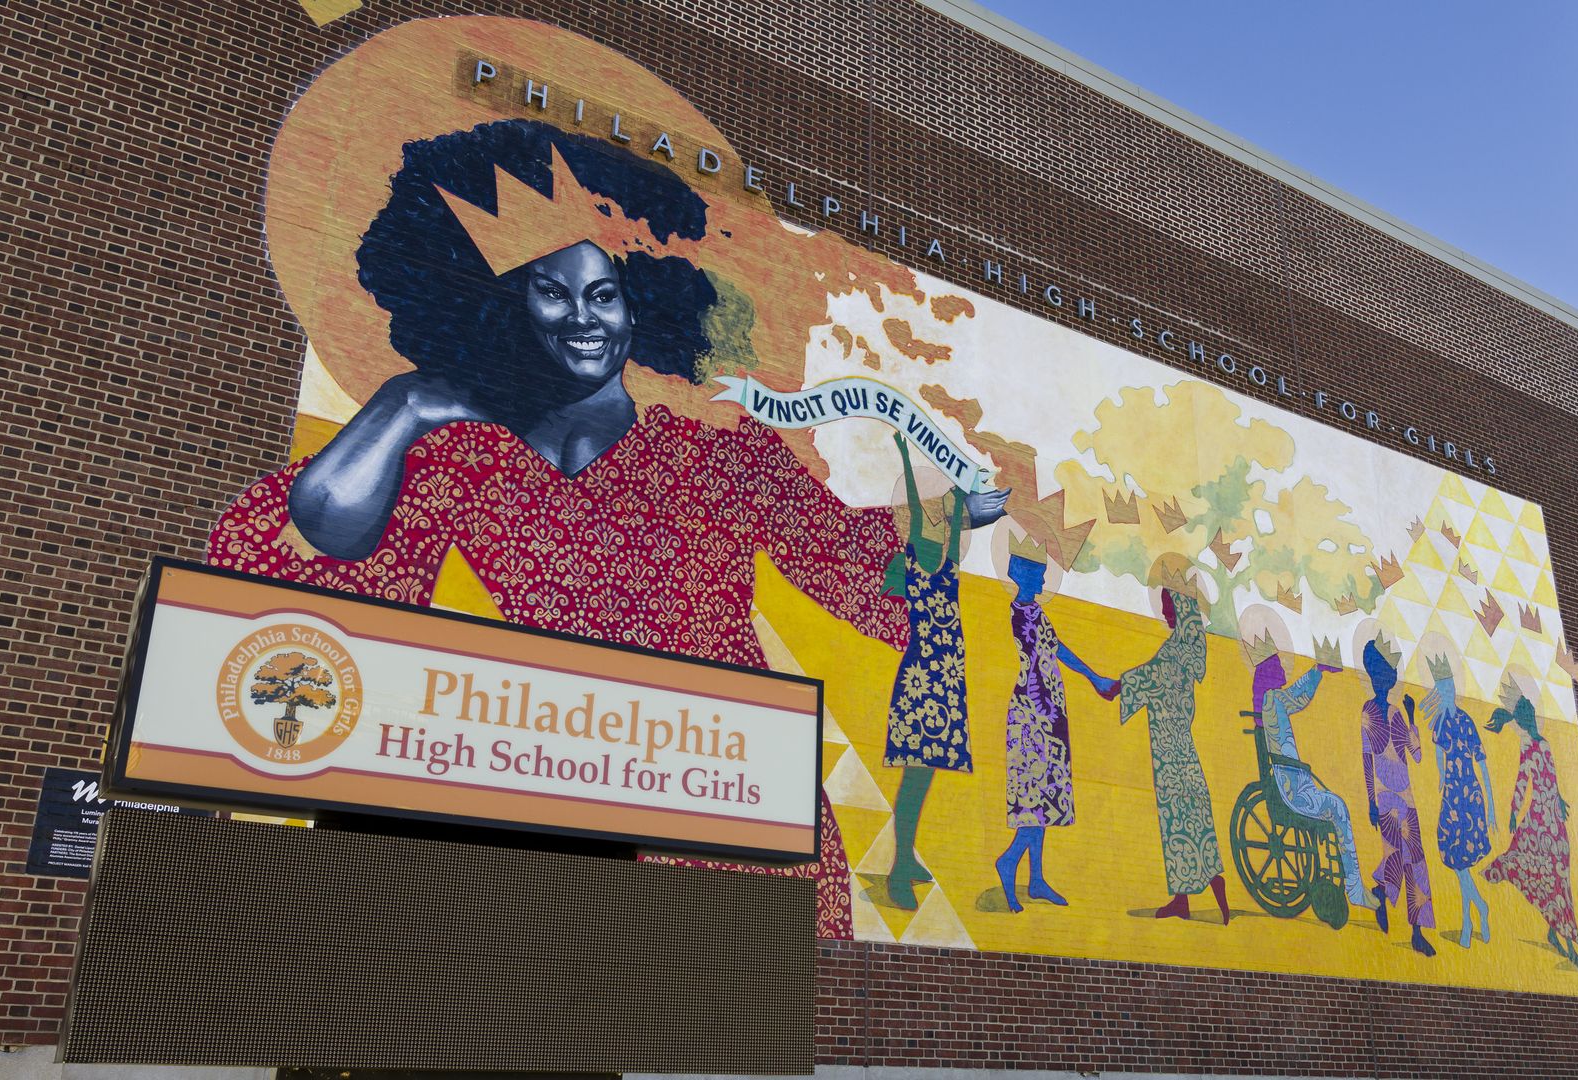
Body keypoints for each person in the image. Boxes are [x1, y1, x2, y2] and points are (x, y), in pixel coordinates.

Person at [208, 119, 1009, 936]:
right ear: (504, 302)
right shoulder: (470, 456)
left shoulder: (717, 455)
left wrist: (950, 515)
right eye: (550, 291)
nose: (582, 319)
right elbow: (325, 537)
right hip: (554, 787)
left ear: (642, 306)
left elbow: (857, 569)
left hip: (729, 804)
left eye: (604, 294)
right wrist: (404, 403)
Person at [994, 543, 1118, 913]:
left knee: (1044, 798)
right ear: (1020, 574)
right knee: (1035, 799)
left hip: (1047, 712)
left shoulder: (1036, 612)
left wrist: (1094, 677)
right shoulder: (1020, 614)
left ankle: (1035, 879)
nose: (1044, 578)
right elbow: (1032, 664)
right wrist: (1044, 708)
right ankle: (1009, 861)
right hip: (1034, 715)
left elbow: (1057, 649)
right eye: (1037, 572)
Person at [878, 436, 973, 911]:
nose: (936, 525)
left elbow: (952, 523)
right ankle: (898, 868)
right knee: (916, 773)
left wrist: (956, 502)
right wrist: (902, 454)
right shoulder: (914, 559)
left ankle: (907, 858)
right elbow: (917, 507)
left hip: (948, 682)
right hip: (922, 681)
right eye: (930, 523)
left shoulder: (950, 561)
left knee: (927, 772)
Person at [1118, 574, 1228, 924]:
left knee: (1178, 823)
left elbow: (1146, 678)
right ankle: (1196, 892)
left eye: (1169, 608)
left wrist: (1115, 685)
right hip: (1185, 748)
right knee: (1194, 820)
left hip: (1169, 751)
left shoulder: (1173, 651)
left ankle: (1196, 891)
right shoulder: (1187, 649)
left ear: (1180, 610)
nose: (1165, 614)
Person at [1249, 637, 1379, 920]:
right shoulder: (1272, 699)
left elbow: (1294, 696)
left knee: (1336, 805)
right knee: (1339, 809)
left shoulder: (1270, 703)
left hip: (1293, 780)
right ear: (1268, 671)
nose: (1284, 669)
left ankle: (1351, 885)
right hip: (1293, 788)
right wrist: (1318, 670)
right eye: (1279, 665)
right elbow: (1297, 695)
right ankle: (1355, 890)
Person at [1482, 674, 1578, 973]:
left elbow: (1551, 780)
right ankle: (1570, 946)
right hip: (1539, 822)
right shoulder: (1529, 749)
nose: (1531, 720)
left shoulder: (1545, 745)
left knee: (1560, 876)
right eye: (1527, 715)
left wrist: (1561, 799)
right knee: (1553, 880)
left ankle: (1555, 931)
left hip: (1554, 820)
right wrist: (1514, 812)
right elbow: (1522, 782)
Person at [1359, 639, 1436, 956]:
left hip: (1405, 797)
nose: (1383, 680)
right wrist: (1371, 802)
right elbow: (1368, 757)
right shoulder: (1369, 711)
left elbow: (1415, 756)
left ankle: (1412, 926)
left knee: (1415, 862)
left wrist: (1411, 717)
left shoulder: (1394, 712)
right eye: (1380, 674)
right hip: (1389, 796)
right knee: (1398, 857)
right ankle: (1382, 895)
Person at [1427, 654, 1495, 947]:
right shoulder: (1440, 722)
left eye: (1450, 688)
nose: (1448, 694)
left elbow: (1482, 763)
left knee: (1461, 862)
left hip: (1470, 798)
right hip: (1452, 798)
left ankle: (1470, 920)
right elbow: (1438, 752)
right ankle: (1479, 907)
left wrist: (1490, 808)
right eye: (1443, 690)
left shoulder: (1466, 722)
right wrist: (1442, 775)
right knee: (1455, 860)